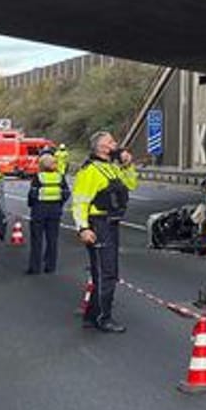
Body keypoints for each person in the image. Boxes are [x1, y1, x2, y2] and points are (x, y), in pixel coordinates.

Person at [72, 131, 138, 333]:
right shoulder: (89, 171)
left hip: (111, 223)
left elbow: (131, 185)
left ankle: (92, 316)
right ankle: (103, 317)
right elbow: (80, 202)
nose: (115, 144)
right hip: (98, 224)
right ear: (101, 147)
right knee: (106, 273)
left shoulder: (111, 167)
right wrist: (83, 228)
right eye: (111, 142)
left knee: (104, 272)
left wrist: (127, 165)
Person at [26, 153, 69, 274]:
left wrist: (31, 205)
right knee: (52, 239)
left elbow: (32, 194)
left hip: (39, 210)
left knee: (36, 240)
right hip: (55, 210)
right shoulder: (60, 177)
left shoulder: (38, 177)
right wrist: (59, 203)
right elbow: (66, 193)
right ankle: (50, 266)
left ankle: (35, 267)